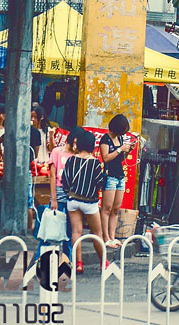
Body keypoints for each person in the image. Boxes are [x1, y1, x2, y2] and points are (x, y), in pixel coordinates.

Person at [58, 128, 108, 273]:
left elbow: (65, 180)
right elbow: (100, 183)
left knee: (76, 232)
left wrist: (70, 193)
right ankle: (103, 262)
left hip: (72, 200)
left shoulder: (71, 160)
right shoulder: (95, 163)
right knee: (97, 234)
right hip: (90, 202)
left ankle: (79, 263)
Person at [98, 114, 133, 249]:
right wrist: (120, 149)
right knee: (106, 208)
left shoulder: (120, 138)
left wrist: (128, 151)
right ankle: (105, 237)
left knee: (116, 209)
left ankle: (112, 236)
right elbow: (105, 158)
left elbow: (122, 158)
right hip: (110, 176)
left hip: (120, 175)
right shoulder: (105, 139)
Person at [44, 124, 76, 258]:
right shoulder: (57, 152)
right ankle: (43, 257)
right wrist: (54, 198)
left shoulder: (77, 155)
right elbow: (52, 175)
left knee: (70, 229)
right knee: (52, 228)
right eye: (75, 142)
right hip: (58, 191)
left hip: (72, 195)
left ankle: (68, 259)